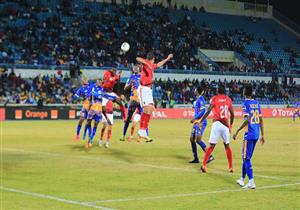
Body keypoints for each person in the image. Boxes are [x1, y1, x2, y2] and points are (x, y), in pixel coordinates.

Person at [197, 84, 235, 173]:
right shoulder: (228, 99)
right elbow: (232, 114)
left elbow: (208, 111)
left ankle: (204, 165)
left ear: (218, 91)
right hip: (225, 125)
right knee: (227, 146)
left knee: (211, 146)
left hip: (217, 124)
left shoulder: (214, 98)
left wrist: (201, 120)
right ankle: (230, 167)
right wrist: (231, 126)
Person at [233, 85, 265, 189]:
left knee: (246, 158)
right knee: (246, 157)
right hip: (256, 134)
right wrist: (263, 134)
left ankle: (251, 181)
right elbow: (261, 120)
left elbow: (247, 119)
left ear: (245, 92)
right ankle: (242, 179)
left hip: (249, 134)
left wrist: (237, 131)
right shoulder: (256, 103)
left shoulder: (246, 104)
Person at [136, 52, 173, 141]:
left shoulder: (152, 66)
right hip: (143, 88)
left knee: (150, 109)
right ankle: (141, 130)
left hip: (149, 90)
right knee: (146, 109)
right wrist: (146, 63)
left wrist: (167, 58)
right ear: (153, 58)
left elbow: (159, 64)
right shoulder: (146, 64)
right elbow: (138, 58)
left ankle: (144, 130)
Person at [85, 79, 115, 148]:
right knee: (88, 123)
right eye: (98, 82)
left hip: (99, 110)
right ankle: (89, 137)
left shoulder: (103, 90)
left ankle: (91, 139)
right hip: (92, 108)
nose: (99, 83)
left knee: (96, 124)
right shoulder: (93, 88)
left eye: (100, 82)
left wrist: (113, 97)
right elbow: (92, 95)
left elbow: (106, 96)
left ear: (102, 83)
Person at [189, 86, 214, 164]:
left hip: (201, 122)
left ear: (198, 91)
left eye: (195, 89)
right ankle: (196, 158)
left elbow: (203, 111)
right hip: (197, 122)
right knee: (192, 139)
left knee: (198, 140)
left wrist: (195, 118)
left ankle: (210, 155)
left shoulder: (201, 99)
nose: (194, 90)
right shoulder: (197, 100)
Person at [120, 64, 142, 141]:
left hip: (141, 99)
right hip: (133, 99)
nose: (135, 69)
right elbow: (125, 88)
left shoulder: (142, 77)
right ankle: (123, 135)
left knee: (144, 118)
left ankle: (145, 136)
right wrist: (130, 84)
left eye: (137, 67)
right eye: (134, 68)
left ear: (139, 69)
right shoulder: (131, 77)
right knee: (128, 118)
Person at [72, 77, 93, 142]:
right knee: (81, 119)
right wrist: (79, 98)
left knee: (89, 123)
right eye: (83, 80)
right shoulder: (81, 89)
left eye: (85, 80)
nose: (84, 81)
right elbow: (75, 96)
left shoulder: (91, 86)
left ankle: (90, 138)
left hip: (92, 106)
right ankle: (77, 135)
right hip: (85, 105)